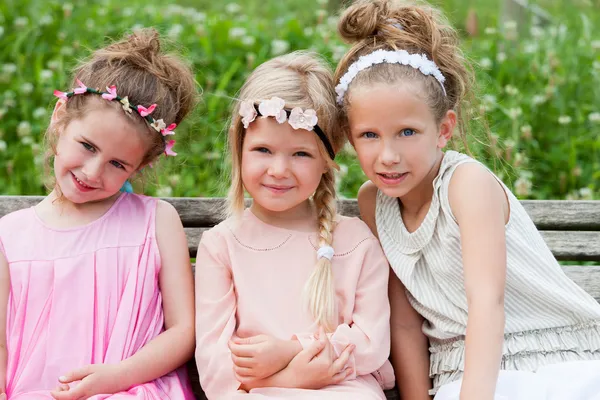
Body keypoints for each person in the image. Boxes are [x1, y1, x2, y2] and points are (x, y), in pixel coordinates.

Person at [333, 1, 600, 399]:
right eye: (370, 135)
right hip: (459, 369)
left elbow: (486, 302)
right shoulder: (374, 202)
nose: (388, 155)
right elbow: (404, 321)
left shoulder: (466, 183)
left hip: (551, 356)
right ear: (351, 137)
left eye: (407, 132)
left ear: (444, 129)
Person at [0, 28, 198, 399]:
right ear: (61, 118)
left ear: (141, 166)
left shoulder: (154, 221)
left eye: (117, 164)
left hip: (129, 389)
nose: (93, 172)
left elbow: (183, 331)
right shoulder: (9, 236)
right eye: (87, 146)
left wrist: (117, 378)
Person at [194, 51, 395, 399]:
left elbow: (371, 343)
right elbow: (216, 368)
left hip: (342, 389)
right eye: (263, 150)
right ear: (239, 148)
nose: (278, 170)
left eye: (300, 154)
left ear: (326, 162)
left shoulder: (355, 242)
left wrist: (289, 351)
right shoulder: (223, 245)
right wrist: (290, 380)